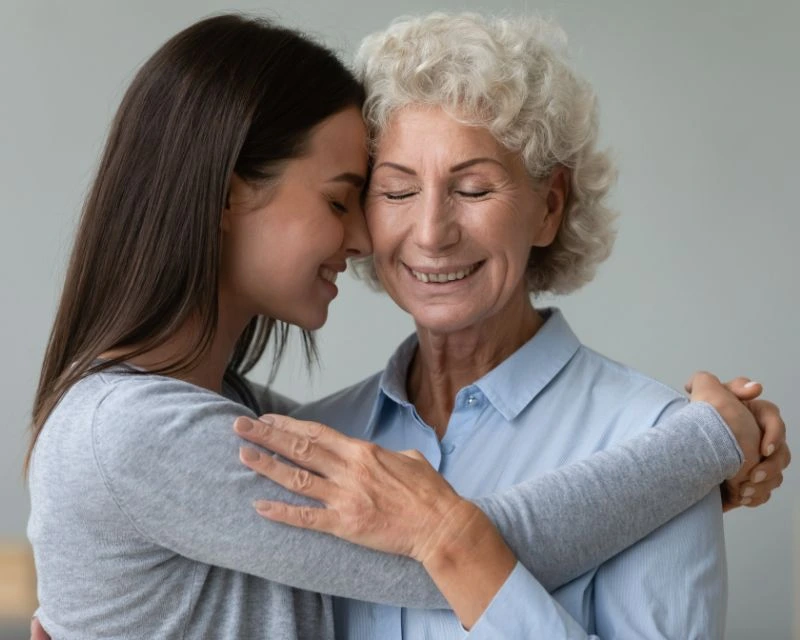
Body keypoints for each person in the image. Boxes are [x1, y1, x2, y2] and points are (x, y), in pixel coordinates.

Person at [26, 12, 787, 640]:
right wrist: (708, 444)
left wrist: (692, 453)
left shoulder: (641, 435)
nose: (425, 232)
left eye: (475, 187)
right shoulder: (262, 438)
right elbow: (460, 549)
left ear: (549, 206)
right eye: (376, 194)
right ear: (229, 198)